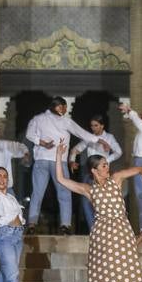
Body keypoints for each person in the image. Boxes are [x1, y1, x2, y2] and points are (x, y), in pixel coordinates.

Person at [55, 140, 142, 282]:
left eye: (107, 164)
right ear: (94, 170)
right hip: (102, 235)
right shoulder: (89, 190)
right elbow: (61, 179)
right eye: (103, 165)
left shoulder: (117, 179)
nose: (107, 167)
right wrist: (59, 156)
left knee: (120, 274)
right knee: (102, 276)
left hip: (122, 232)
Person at [25, 96, 95, 234]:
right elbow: (82, 133)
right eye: (62, 107)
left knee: (37, 193)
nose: (64, 110)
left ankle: (32, 223)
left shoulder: (38, 118)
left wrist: (41, 142)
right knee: (64, 193)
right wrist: (98, 139)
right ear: (56, 106)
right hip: (59, 162)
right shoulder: (65, 121)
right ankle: (65, 224)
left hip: (42, 160)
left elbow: (29, 134)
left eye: (65, 108)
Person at [69, 114, 122, 231]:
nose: (93, 128)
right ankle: (93, 229)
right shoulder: (90, 137)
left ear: (102, 126)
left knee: (104, 200)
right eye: (92, 126)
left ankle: (106, 228)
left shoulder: (109, 137)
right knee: (86, 201)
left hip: (103, 174)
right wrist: (72, 161)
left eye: (96, 125)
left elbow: (119, 152)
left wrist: (105, 162)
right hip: (89, 173)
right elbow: (75, 149)